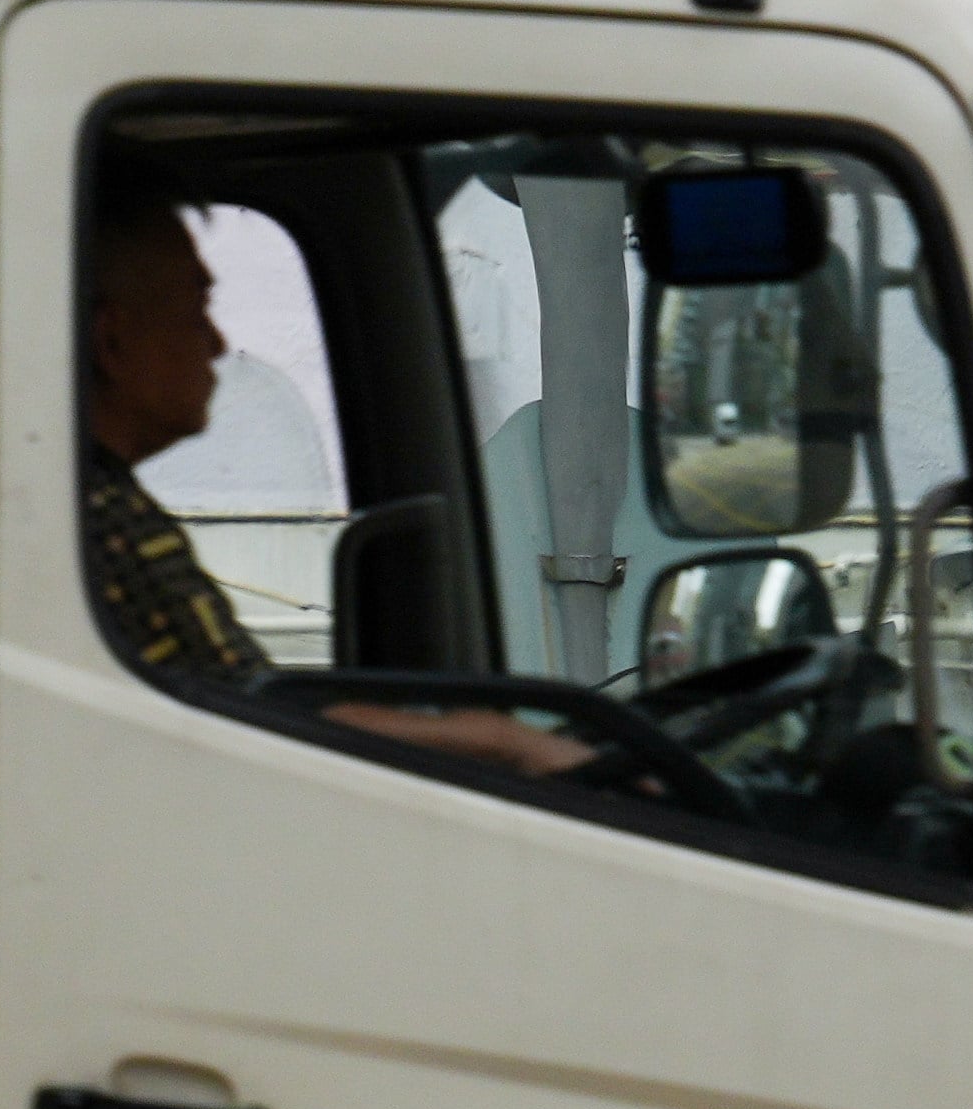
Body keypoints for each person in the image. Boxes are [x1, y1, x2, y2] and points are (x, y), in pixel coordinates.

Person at [82, 183, 594, 778]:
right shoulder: (106, 526)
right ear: (110, 339)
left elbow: (248, 705)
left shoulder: (104, 507)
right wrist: (500, 742)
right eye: (196, 307)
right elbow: (256, 726)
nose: (218, 343)